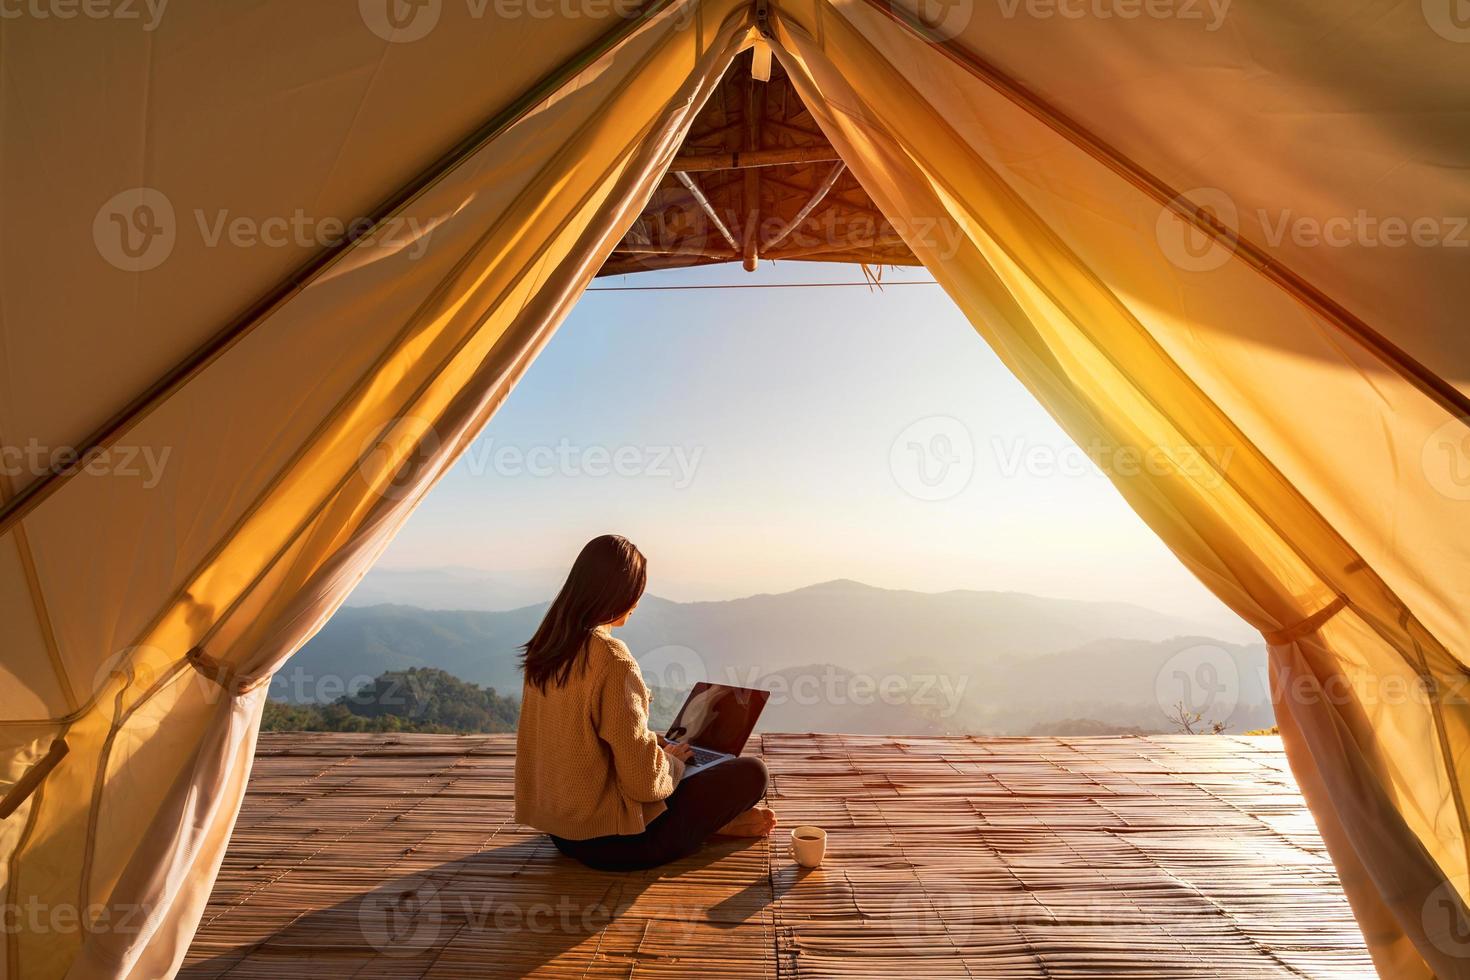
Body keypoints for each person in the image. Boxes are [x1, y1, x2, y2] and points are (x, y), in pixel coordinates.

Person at [514, 534, 776, 871]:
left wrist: (655, 744)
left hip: (563, 833)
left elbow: (585, 738)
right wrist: (671, 762)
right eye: (638, 588)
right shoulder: (611, 660)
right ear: (620, 593)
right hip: (616, 842)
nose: (638, 600)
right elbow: (645, 785)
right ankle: (713, 826)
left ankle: (709, 823)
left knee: (682, 762)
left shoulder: (547, 647)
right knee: (752, 773)